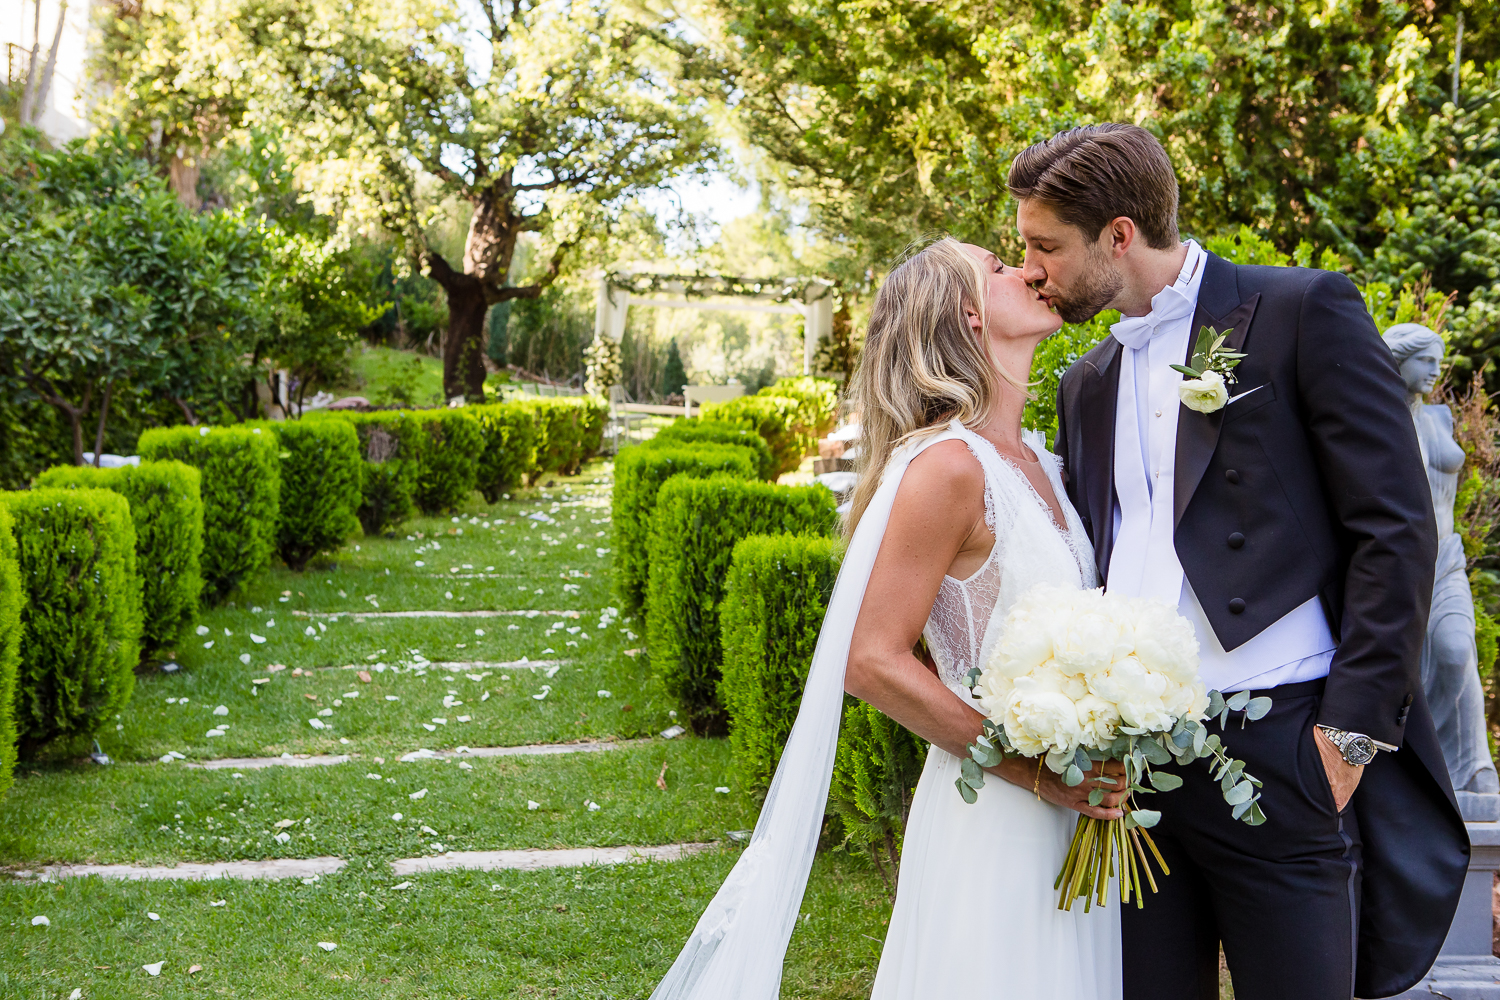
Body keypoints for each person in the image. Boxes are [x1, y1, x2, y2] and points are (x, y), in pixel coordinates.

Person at [1026, 123, 1468, 1000]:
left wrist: (1345, 740)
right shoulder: (1089, 381)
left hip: (1281, 752)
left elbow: (1395, 529)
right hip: (1136, 769)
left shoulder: (1304, 311)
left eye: (1046, 247)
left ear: (1119, 235)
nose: (1033, 269)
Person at [647, 237, 1124, 1000]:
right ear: (968, 316)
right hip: (997, 814)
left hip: (1072, 806)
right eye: (1001, 268)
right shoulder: (949, 467)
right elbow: (872, 660)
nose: (1029, 269)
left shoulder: (1042, 459)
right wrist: (1031, 770)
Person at [1382, 322, 1499, 796]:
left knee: (1454, 651)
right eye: (1426, 360)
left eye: (1438, 360)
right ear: (1400, 360)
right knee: (1398, 669)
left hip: (1446, 558)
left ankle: (1472, 767)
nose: (1435, 370)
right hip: (1397, 563)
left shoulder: (1441, 418)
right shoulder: (1374, 416)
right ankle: (1416, 778)